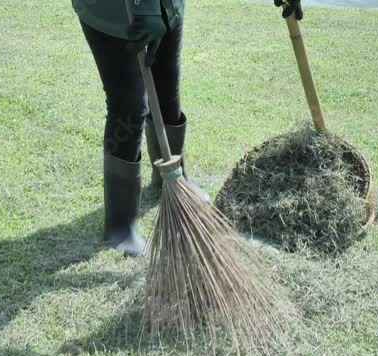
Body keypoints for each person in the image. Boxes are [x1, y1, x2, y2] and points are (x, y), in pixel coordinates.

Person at [74, 0, 303, 256]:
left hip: (166, 6)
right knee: (129, 105)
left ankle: (172, 178)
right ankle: (120, 225)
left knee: (167, 91)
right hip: (113, 11)